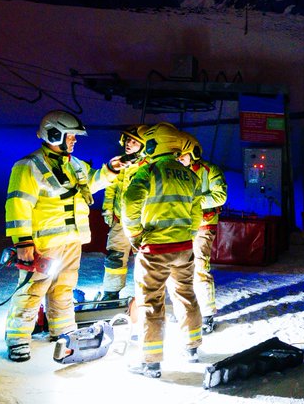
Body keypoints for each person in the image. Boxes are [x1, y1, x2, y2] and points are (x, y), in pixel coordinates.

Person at [4, 110, 124, 362]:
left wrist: (110, 170)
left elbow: (91, 183)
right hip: (43, 245)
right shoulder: (28, 166)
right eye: (70, 135)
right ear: (54, 134)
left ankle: (64, 332)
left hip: (71, 241)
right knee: (32, 290)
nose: (74, 140)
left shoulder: (76, 164)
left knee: (64, 289)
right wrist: (23, 242)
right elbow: (18, 205)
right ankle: (18, 339)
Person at [119, 138, 203, 378]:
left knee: (151, 302)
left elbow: (130, 201)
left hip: (154, 249)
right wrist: (188, 235)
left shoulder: (149, 171)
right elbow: (197, 212)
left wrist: (135, 234)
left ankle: (151, 362)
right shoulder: (190, 175)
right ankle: (192, 347)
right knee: (186, 294)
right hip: (183, 247)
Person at [177, 133, 228, 333]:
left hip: (203, 225)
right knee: (179, 268)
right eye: (176, 155)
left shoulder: (210, 170)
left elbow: (220, 196)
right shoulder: (174, 172)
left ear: (194, 153)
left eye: (182, 154)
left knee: (199, 266)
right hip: (180, 226)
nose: (179, 158)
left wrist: (193, 202)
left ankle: (206, 314)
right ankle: (185, 309)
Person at [95, 125, 147, 302]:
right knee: (114, 258)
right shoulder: (121, 163)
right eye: (128, 140)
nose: (128, 144)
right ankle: (111, 294)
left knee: (145, 259)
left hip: (141, 225)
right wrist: (108, 209)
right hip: (120, 221)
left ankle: (147, 295)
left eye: (134, 142)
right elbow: (111, 187)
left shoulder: (149, 167)